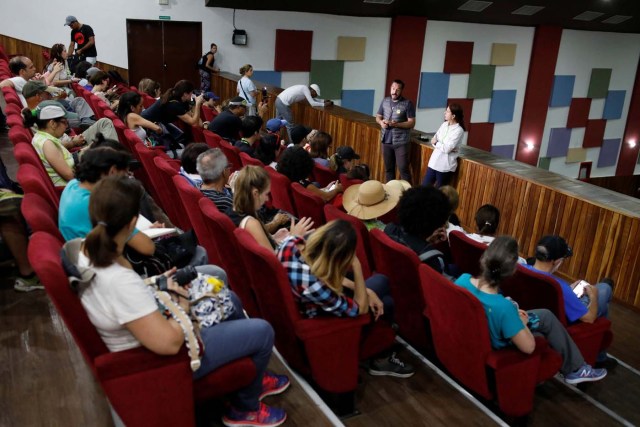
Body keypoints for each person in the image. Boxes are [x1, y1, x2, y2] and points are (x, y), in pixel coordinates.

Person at [73, 175, 289, 427]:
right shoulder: (119, 280)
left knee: (229, 298)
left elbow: (129, 299)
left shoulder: (87, 248)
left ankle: (250, 381)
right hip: (158, 360)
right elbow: (169, 343)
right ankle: (245, 409)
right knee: (262, 331)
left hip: (148, 328)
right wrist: (181, 300)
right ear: (133, 222)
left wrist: (157, 284)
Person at [454, 236, 607, 384]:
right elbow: (529, 347)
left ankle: (577, 368)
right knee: (539, 335)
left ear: (484, 259)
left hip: (484, 330)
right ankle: (578, 368)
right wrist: (521, 322)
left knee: (545, 316)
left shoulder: (462, 280)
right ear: (511, 271)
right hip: (499, 341)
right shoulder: (503, 307)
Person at [277, 220, 415, 378]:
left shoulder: (288, 246)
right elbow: (360, 309)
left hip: (306, 301)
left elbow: (319, 269)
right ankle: (380, 358)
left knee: (381, 288)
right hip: (322, 320)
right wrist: (356, 265)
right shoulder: (316, 286)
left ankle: (379, 350)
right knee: (386, 300)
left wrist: (365, 290)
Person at [527, 235, 613, 329]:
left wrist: (568, 291)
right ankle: (597, 332)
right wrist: (594, 297)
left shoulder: (520, 268)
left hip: (530, 316)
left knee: (604, 296)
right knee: (605, 289)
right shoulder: (558, 286)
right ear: (557, 261)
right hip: (563, 325)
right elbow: (589, 319)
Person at [227, 165, 313, 252]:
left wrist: (272, 237)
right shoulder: (251, 223)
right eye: (266, 194)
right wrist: (293, 238)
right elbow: (275, 262)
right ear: (255, 193)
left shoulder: (233, 210)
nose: (267, 199)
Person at [384, 186, 452, 276]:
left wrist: (425, 242)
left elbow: (408, 246)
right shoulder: (434, 260)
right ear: (437, 224)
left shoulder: (390, 229)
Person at [21, 102, 75, 185]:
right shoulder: (47, 144)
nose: (66, 126)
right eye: (64, 122)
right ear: (52, 124)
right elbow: (70, 176)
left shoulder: (40, 137)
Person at [375, 79, 415, 182]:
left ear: (401, 91)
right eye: (393, 88)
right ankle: (390, 193)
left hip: (401, 143)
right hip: (386, 141)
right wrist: (381, 123)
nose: (394, 91)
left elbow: (412, 123)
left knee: (403, 170)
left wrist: (397, 124)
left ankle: (409, 195)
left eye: (397, 89)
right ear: (390, 88)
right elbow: (378, 117)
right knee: (389, 170)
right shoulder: (385, 101)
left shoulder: (407, 104)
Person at [277, 146, 343, 203]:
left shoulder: (285, 178)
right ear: (304, 164)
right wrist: (336, 189)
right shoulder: (303, 184)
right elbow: (327, 197)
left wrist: (326, 188)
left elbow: (315, 192)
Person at [423, 104, 466, 187]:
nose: (444, 113)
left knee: (439, 194)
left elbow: (446, 149)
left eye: (447, 111)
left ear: (453, 116)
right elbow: (433, 139)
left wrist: (437, 143)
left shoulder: (459, 130)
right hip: (433, 163)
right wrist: (439, 144)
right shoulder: (444, 124)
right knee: (423, 189)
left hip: (445, 167)